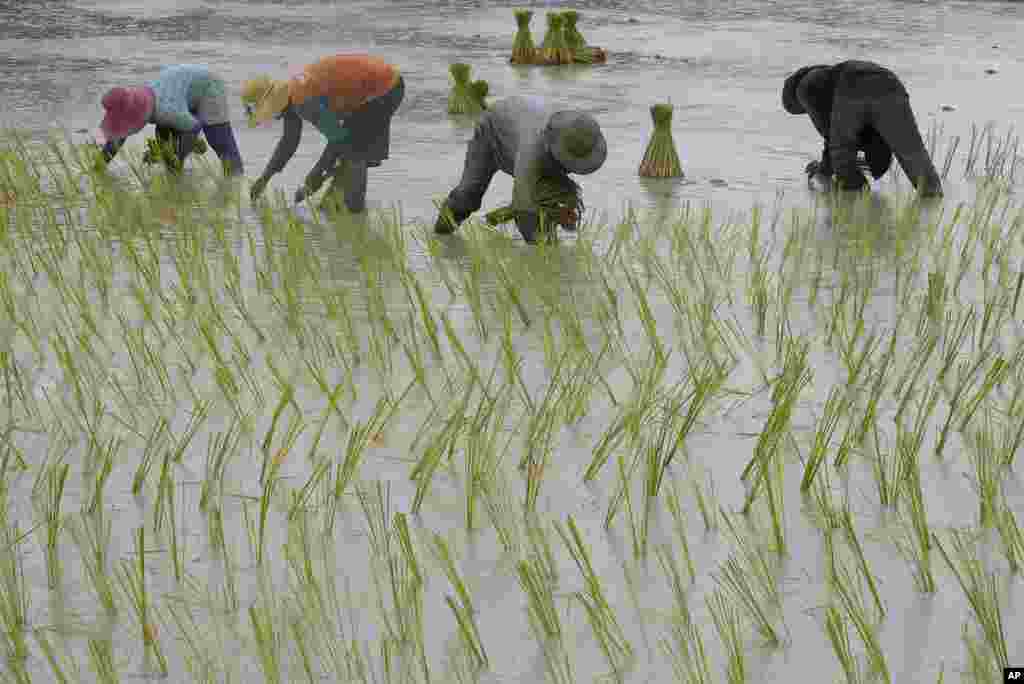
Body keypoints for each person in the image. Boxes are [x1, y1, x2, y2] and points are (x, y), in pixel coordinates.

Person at [434, 95, 607, 244]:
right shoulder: (531, 149)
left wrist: (564, 215)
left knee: (550, 197)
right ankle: (440, 237)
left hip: (523, 125)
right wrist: (547, 254)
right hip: (492, 132)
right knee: (468, 195)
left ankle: (493, 220)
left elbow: (548, 198)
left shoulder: (576, 133)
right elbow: (525, 213)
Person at [242, 54, 404, 212]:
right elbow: (289, 142)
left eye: (270, 113)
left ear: (274, 104)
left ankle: (355, 213)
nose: (274, 118)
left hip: (384, 88)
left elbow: (338, 140)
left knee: (355, 154)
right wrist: (264, 178)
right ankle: (342, 211)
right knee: (345, 163)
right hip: (367, 89)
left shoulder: (304, 102)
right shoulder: (293, 95)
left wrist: (312, 180)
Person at [782, 60, 942, 197]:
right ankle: (933, 199)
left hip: (852, 86)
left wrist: (823, 170)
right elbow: (877, 155)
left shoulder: (806, 85)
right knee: (913, 152)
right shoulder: (829, 74)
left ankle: (855, 200)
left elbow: (832, 138)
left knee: (842, 155)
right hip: (891, 86)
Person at [98, 64, 244, 176]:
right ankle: (177, 177)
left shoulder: (167, 111)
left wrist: (176, 157)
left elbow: (193, 127)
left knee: (220, 142)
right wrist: (98, 168)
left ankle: (235, 184)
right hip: (181, 94)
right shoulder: (135, 102)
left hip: (209, 87)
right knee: (165, 140)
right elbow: (117, 137)